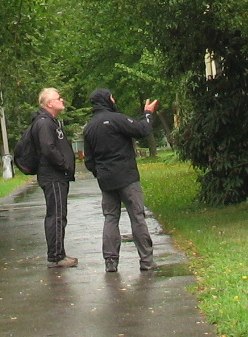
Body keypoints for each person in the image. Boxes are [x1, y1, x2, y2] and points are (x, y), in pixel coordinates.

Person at [82, 87, 159, 273]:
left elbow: (89, 161)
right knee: (137, 216)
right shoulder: (117, 119)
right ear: (107, 99)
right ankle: (146, 260)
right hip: (127, 177)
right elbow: (142, 129)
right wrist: (148, 114)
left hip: (106, 180)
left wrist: (100, 173)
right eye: (112, 97)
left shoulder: (89, 128)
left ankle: (111, 261)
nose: (114, 100)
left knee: (110, 217)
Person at [26, 87, 78, 268]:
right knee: (56, 215)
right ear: (49, 103)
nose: (62, 100)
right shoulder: (44, 123)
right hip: (53, 176)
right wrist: (64, 164)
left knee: (59, 215)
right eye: (58, 98)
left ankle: (59, 252)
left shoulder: (52, 122)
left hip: (57, 176)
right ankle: (56, 257)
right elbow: (48, 148)